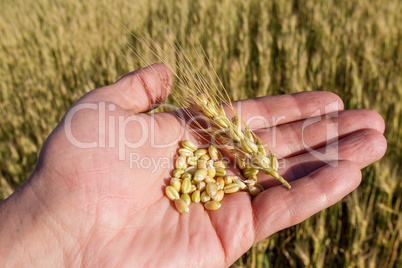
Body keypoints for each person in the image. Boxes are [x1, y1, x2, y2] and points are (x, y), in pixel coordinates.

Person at [0, 64, 386, 266]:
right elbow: (196, 179)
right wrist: (50, 227)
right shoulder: (202, 173)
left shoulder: (202, 172)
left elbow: (196, 179)